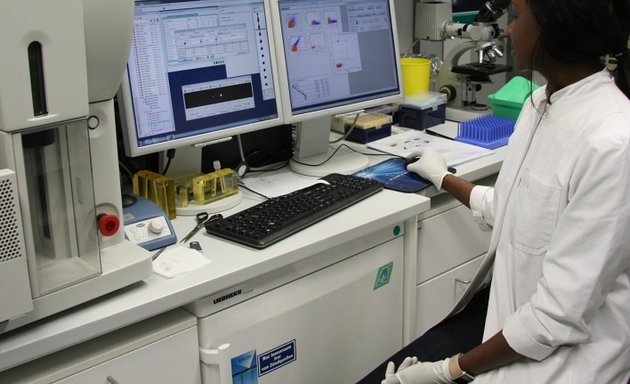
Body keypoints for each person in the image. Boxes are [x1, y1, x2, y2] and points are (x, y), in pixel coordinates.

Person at [364, 0, 630, 382]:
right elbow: (515, 212)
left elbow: (556, 318)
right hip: (514, 335)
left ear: (557, 29)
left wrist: (447, 371)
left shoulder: (613, 143)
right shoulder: (541, 104)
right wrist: (443, 178)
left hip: (565, 366)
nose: (508, 30)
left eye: (518, 17)